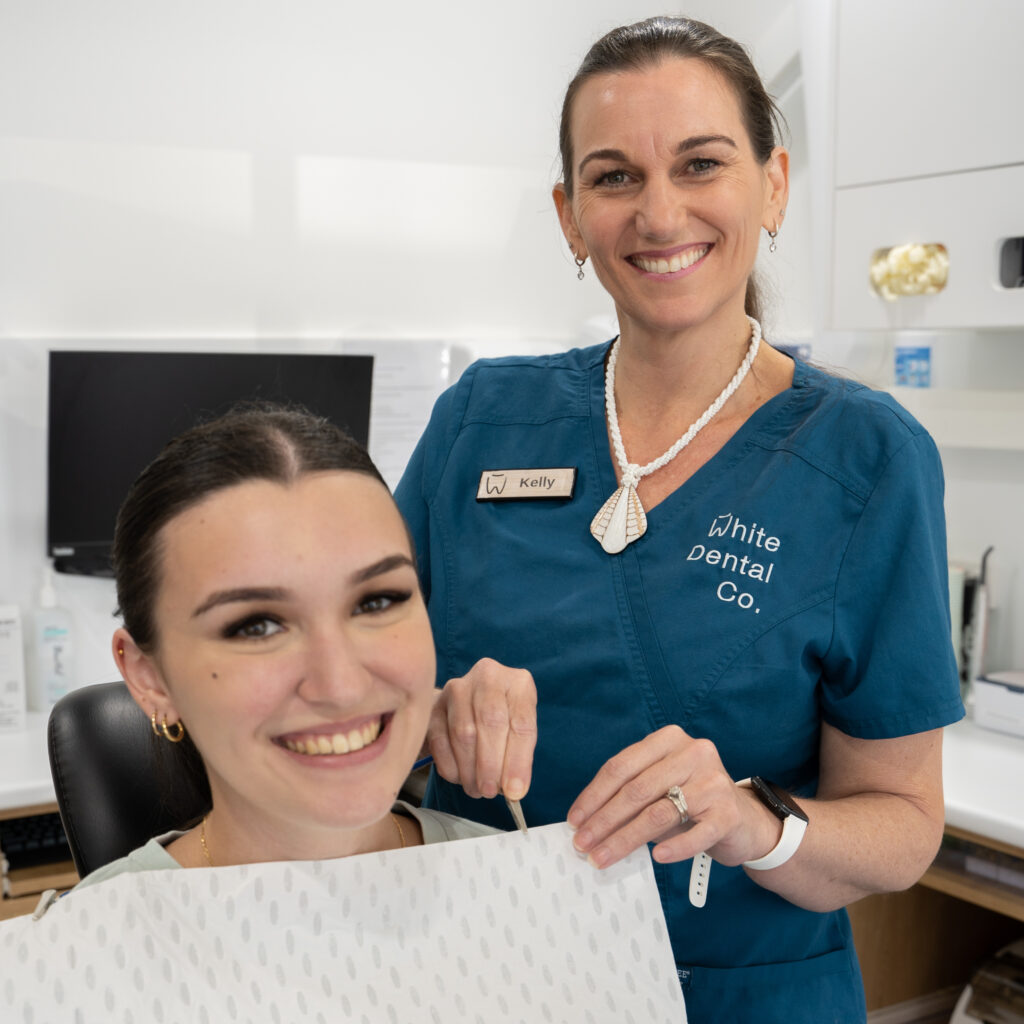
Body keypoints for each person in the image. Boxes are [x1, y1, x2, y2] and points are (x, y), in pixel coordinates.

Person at [395, 15, 964, 1023]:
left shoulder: (865, 459)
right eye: (613, 178)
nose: (660, 213)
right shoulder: (482, 420)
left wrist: (752, 820)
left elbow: (904, 824)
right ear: (570, 217)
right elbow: (356, 694)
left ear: (772, 184)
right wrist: (428, 718)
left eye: (700, 164)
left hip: (742, 995)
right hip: (480, 979)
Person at [74, 402, 494, 891]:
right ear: (150, 678)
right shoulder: (80, 951)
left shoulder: (524, 889)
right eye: (257, 627)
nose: (341, 686)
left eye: (377, 601)